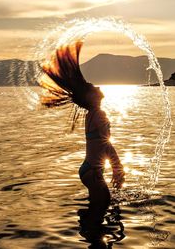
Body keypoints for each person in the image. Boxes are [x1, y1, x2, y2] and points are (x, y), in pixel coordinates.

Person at [39, 40, 125, 222]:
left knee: (97, 209)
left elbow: (100, 144)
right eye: (95, 87)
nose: (99, 87)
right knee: (99, 211)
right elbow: (105, 145)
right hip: (93, 171)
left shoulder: (91, 114)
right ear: (91, 97)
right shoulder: (99, 114)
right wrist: (118, 168)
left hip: (89, 170)